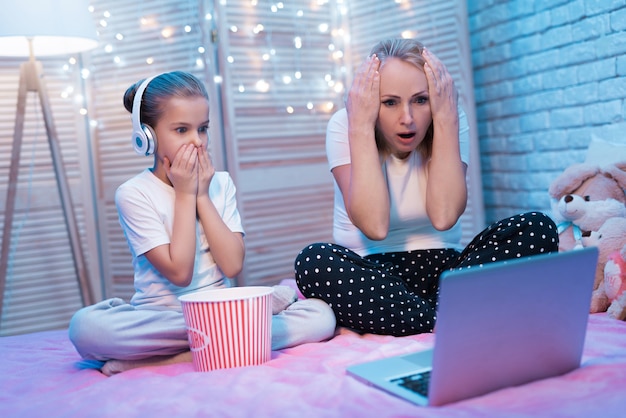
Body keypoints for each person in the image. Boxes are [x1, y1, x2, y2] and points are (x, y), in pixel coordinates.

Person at [69, 71, 335, 375]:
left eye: (203, 128)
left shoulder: (219, 183)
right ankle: (237, 333)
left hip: (220, 307)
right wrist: (184, 193)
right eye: (182, 130)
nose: (197, 141)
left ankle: (172, 355)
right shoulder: (133, 193)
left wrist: (203, 196)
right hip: (163, 315)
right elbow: (180, 273)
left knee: (322, 317)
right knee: (86, 328)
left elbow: (233, 265)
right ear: (147, 136)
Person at [294, 38, 558, 337]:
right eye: (390, 102)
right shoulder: (347, 124)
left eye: (420, 100)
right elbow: (374, 226)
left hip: (448, 272)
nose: (407, 119)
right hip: (375, 275)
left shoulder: (446, 117)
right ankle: (450, 315)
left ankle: (425, 317)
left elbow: (444, 217)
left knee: (538, 227)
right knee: (313, 261)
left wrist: (445, 118)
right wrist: (361, 126)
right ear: (368, 101)